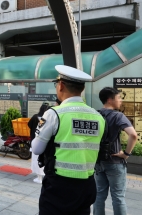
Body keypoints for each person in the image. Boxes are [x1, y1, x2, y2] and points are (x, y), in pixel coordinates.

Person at [32, 65, 106, 215]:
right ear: (82, 89)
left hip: (59, 186)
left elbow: (37, 149)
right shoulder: (98, 117)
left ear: (61, 85)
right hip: (87, 184)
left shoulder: (54, 114)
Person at [93, 87, 138, 215]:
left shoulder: (95, 114)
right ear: (110, 99)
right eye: (118, 98)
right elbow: (133, 135)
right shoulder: (118, 116)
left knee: (99, 195)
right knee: (118, 197)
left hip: (98, 161)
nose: (121, 101)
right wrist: (126, 154)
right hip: (115, 161)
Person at [27, 103, 50, 183]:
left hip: (34, 141)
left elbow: (29, 125)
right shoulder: (44, 119)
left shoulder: (35, 117)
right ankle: (41, 176)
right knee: (42, 159)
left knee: (35, 159)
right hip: (43, 141)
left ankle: (39, 177)